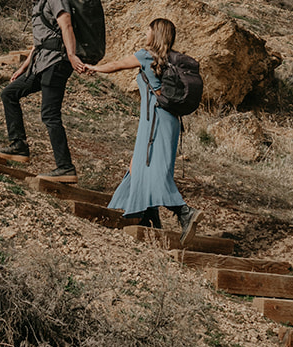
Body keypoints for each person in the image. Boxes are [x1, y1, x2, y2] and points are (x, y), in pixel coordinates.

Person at [79, 18, 201, 245]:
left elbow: (117, 65)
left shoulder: (147, 55)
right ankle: (148, 216)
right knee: (138, 167)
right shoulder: (167, 59)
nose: (145, 32)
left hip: (156, 120)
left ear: (155, 34)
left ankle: (184, 212)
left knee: (153, 171)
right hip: (165, 120)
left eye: (148, 29)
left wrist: (94, 68)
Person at [0, 0, 83, 181]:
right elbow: (40, 41)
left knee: (50, 115)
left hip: (57, 63)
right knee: (9, 93)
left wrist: (72, 55)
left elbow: (67, 26)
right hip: (40, 64)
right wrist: (24, 67)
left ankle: (65, 168)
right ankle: (19, 146)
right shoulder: (39, 1)